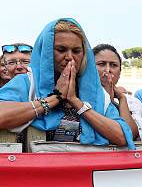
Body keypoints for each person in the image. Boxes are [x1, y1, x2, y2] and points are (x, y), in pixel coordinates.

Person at [0, 18, 133, 147]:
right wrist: (55, 99)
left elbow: (122, 137)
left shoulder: (95, 92)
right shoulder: (27, 83)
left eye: (76, 51)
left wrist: (76, 102)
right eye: (61, 50)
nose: (69, 57)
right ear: (46, 52)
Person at [93, 44, 142, 140]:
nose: (108, 70)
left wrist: (122, 99)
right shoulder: (80, 96)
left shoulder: (132, 102)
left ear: (120, 72)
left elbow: (130, 134)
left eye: (113, 65)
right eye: (101, 64)